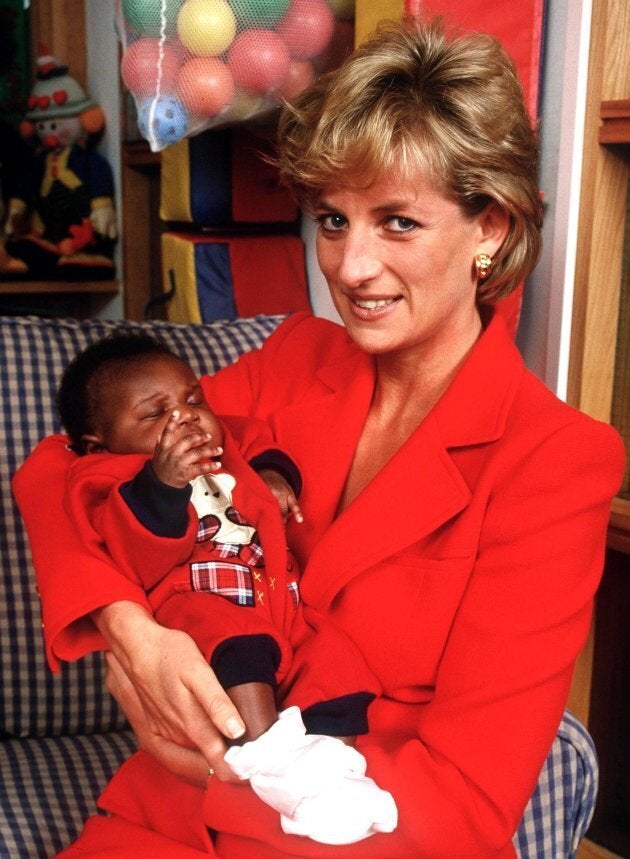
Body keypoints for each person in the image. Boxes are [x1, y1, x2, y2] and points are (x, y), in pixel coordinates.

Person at [12, 15, 625, 858]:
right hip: (151, 827)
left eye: (397, 223)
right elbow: (60, 467)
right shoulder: (296, 358)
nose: (352, 267)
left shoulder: (558, 461)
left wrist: (207, 770)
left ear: (491, 227)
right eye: (333, 220)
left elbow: (463, 809)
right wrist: (128, 626)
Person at [52, 331, 395, 844]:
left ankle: (332, 771)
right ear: (98, 446)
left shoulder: (224, 443)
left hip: (276, 600)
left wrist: (274, 477)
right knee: (240, 644)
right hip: (195, 606)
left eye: (193, 400)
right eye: (154, 415)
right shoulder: (102, 481)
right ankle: (266, 755)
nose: (184, 418)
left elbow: (261, 443)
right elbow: (132, 556)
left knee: (336, 658)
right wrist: (161, 487)